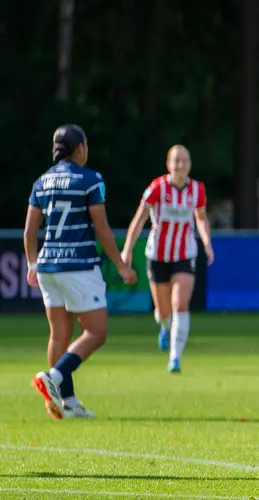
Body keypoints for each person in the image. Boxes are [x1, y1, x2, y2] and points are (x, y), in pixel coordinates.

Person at [27, 124, 137, 419]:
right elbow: (101, 227)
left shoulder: (42, 181)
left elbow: (29, 229)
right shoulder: (91, 180)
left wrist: (32, 264)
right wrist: (121, 265)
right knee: (96, 332)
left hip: (48, 264)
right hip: (78, 265)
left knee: (59, 334)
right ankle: (55, 377)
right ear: (80, 148)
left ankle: (67, 402)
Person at [121, 145, 214, 374]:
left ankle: (175, 358)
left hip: (185, 254)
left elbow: (200, 218)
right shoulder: (157, 188)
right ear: (168, 164)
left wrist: (206, 242)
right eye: (176, 161)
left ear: (190, 164)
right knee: (163, 312)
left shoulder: (197, 189)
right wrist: (127, 249)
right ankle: (164, 326)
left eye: (184, 160)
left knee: (180, 304)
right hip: (158, 255)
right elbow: (140, 218)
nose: (180, 165)